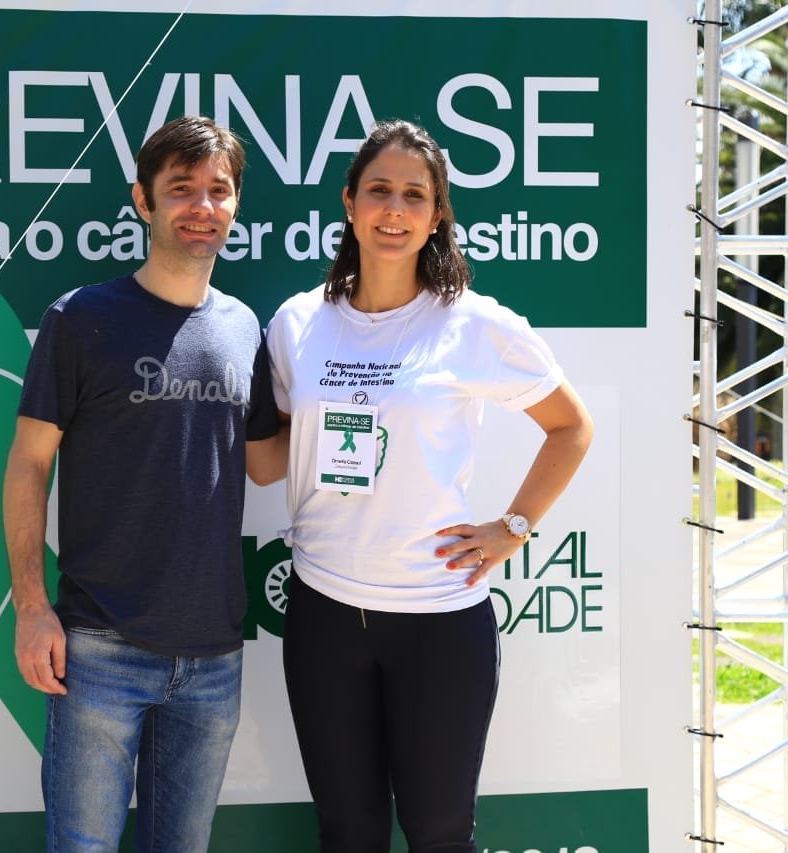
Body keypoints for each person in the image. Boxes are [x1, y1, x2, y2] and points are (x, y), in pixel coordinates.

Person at [266, 119, 594, 852]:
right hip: (323, 612)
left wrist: (514, 526)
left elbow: (572, 426)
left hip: (438, 618)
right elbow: (272, 454)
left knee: (440, 834)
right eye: (378, 190)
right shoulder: (296, 323)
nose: (394, 209)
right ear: (349, 202)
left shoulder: (472, 324)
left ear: (438, 213)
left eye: (415, 195)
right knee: (347, 834)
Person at [2, 116, 282, 853]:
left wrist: (363, 405)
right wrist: (31, 607)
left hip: (214, 653)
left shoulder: (244, 329)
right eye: (181, 188)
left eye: (219, 190)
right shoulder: (80, 318)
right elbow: (29, 463)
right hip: (99, 647)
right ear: (142, 200)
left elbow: (266, 462)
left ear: (235, 204)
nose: (202, 206)